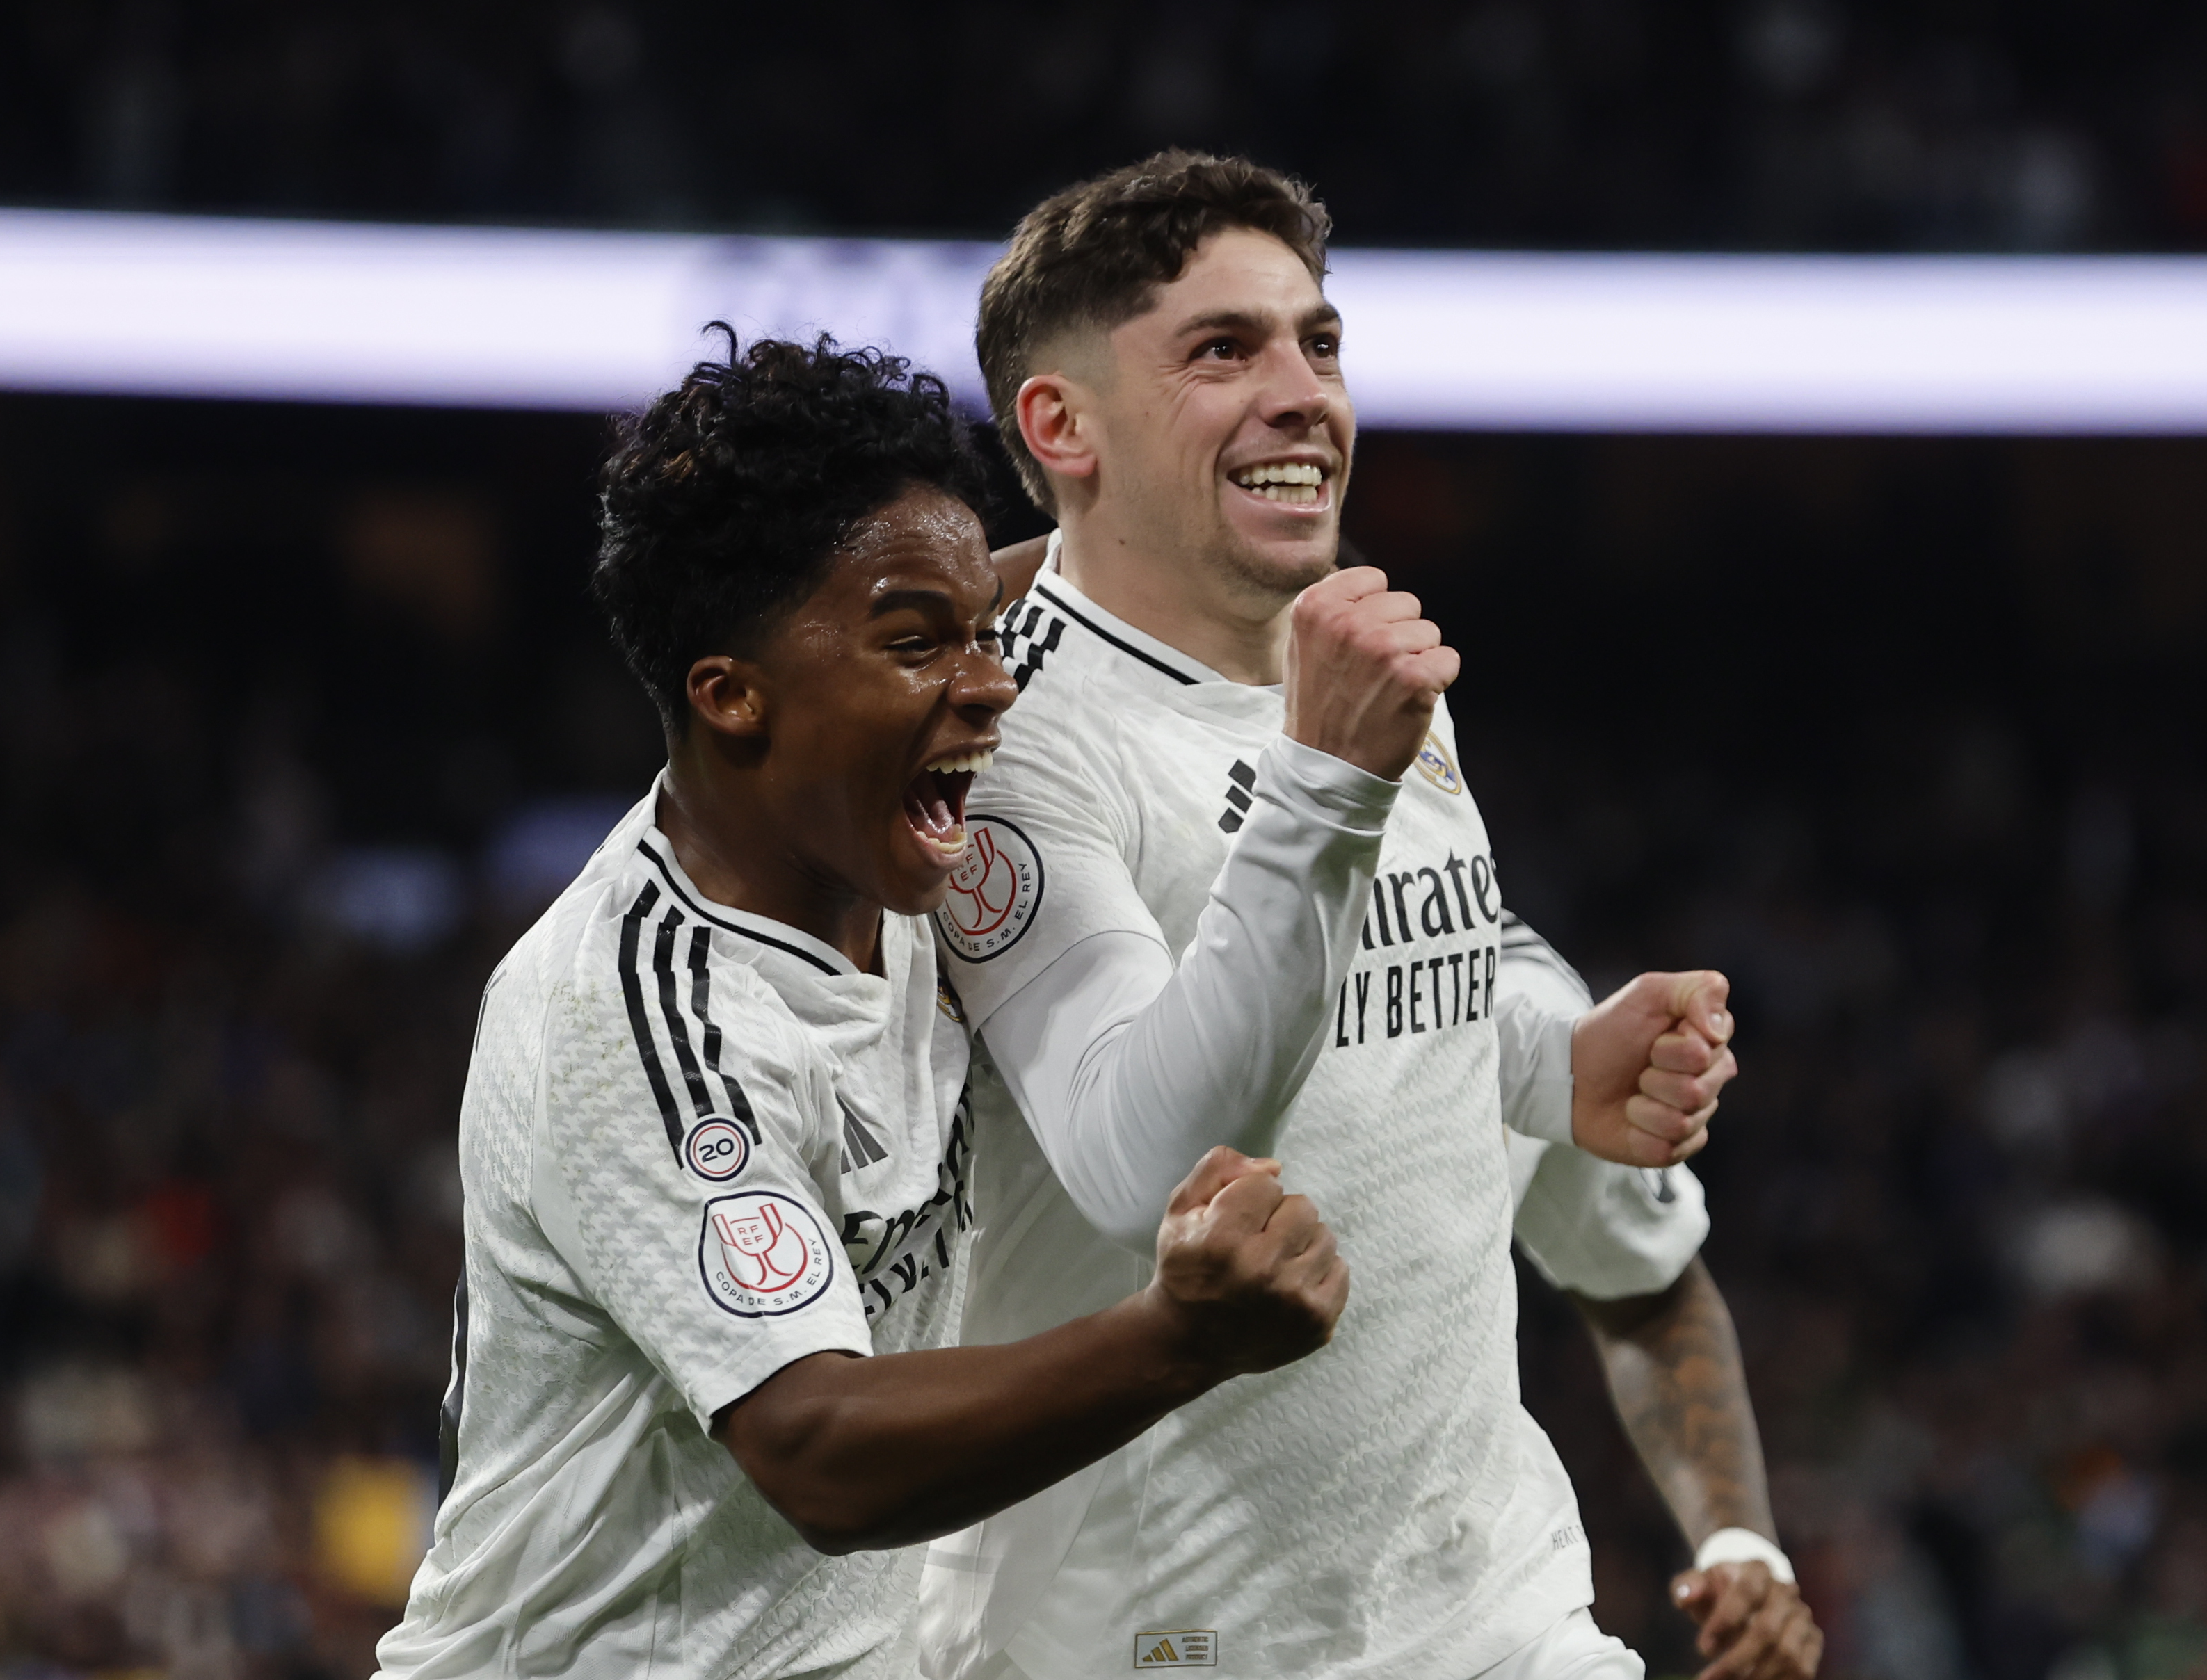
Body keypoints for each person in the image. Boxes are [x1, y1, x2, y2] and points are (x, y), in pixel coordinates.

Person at [923, 154, 1820, 1680]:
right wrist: (1322, 781)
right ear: (1059, 427)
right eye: (1223, 349)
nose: (1302, 394)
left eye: (1317, 344)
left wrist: (1550, 1062)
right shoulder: (998, 738)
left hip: (1493, 1612)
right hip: (1155, 1640)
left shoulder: (1357, 664)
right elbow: (1141, 1163)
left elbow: (1401, 996)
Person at [374, 335, 1364, 1680]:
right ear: (733, 697)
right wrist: (1176, 1339)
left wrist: (1181, 498)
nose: (991, 682)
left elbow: (1028, 592)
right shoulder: (647, 1008)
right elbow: (818, 1451)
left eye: (981, 632)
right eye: (916, 644)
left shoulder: (874, 849)